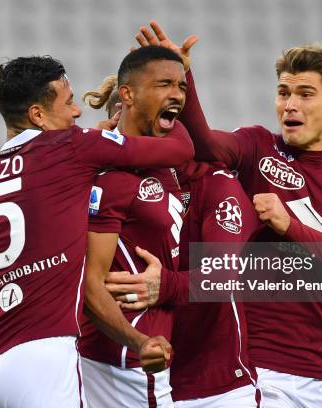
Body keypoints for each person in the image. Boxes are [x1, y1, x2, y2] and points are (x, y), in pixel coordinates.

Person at [112, 21, 322, 407]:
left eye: (305, 94)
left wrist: (289, 225)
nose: (290, 104)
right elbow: (204, 144)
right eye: (283, 92)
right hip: (262, 370)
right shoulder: (257, 146)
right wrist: (183, 77)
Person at [0, 54, 194, 408]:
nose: (78, 113)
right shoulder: (72, 147)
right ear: (38, 115)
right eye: (69, 103)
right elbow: (181, 149)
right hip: (39, 357)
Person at [89, 68, 263, 407]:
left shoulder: (215, 184)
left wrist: (163, 285)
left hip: (217, 386)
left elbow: (223, 277)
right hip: (136, 371)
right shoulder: (108, 182)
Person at [79, 45, 189, 408]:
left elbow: (188, 141)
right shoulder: (111, 179)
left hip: (151, 359)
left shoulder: (166, 159)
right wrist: (138, 342)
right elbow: (91, 286)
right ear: (127, 94)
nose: (176, 94)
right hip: (122, 365)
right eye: (163, 84)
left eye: (182, 86)